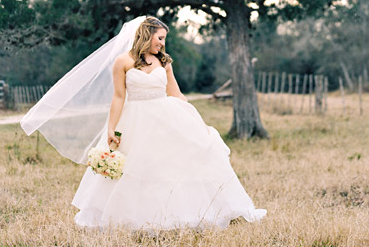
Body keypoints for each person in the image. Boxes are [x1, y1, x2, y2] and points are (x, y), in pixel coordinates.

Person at [64, 15, 267, 232]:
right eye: (159, 38)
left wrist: (196, 122)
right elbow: (118, 97)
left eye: (164, 40)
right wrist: (112, 127)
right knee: (136, 169)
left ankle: (180, 215)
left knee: (172, 166)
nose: (162, 43)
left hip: (165, 117)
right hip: (135, 120)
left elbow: (176, 94)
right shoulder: (123, 61)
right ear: (146, 34)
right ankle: (131, 217)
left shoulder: (164, 62)